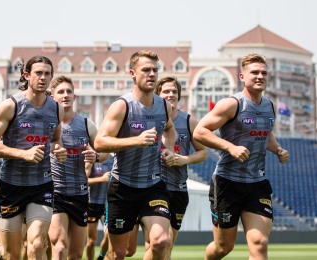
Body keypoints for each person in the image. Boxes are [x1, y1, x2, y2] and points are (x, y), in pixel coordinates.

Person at [193, 53, 289, 260]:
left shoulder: (270, 106)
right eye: (254, 72)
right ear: (242, 76)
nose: (260, 76)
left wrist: (278, 149)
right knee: (223, 247)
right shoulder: (231, 104)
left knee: (260, 243)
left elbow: (266, 132)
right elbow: (200, 131)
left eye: (264, 72)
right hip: (227, 182)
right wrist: (230, 147)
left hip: (257, 183)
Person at [0, 55, 67, 260]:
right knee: (12, 254)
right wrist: (23, 154)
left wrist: (59, 150)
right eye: (38, 73)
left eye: (47, 74)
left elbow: (55, 140)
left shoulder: (56, 109)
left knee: (37, 244)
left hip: (42, 185)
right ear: (26, 75)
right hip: (11, 185)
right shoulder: (11, 105)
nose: (43, 78)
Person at [94, 50, 177, 260]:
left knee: (160, 242)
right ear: (132, 73)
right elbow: (100, 143)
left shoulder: (164, 106)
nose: (151, 74)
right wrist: (136, 140)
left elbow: (169, 130)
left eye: (155, 70)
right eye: (146, 70)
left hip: (153, 186)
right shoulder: (122, 106)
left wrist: (168, 149)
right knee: (120, 253)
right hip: (123, 187)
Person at [48, 75, 109, 260]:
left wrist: (96, 156)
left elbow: (104, 152)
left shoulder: (86, 124)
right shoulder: (47, 124)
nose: (65, 95)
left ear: (75, 97)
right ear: (52, 97)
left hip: (80, 194)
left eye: (69, 92)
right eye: (61, 92)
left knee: (75, 254)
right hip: (54, 192)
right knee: (59, 248)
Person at [154, 76, 207, 259]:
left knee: (169, 243)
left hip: (178, 187)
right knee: (158, 241)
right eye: (166, 91)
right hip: (154, 187)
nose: (171, 94)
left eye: (174, 91)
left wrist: (184, 159)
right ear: (158, 95)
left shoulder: (189, 121)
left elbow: (203, 153)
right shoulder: (151, 117)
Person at [85, 156, 112, 260]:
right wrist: (101, 179)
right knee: (91, 241)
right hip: (91, 204)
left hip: (106, 204)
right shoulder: (91, 159)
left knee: (109, 233)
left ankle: (101, 256)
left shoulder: (113, 160)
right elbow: (83, 180)